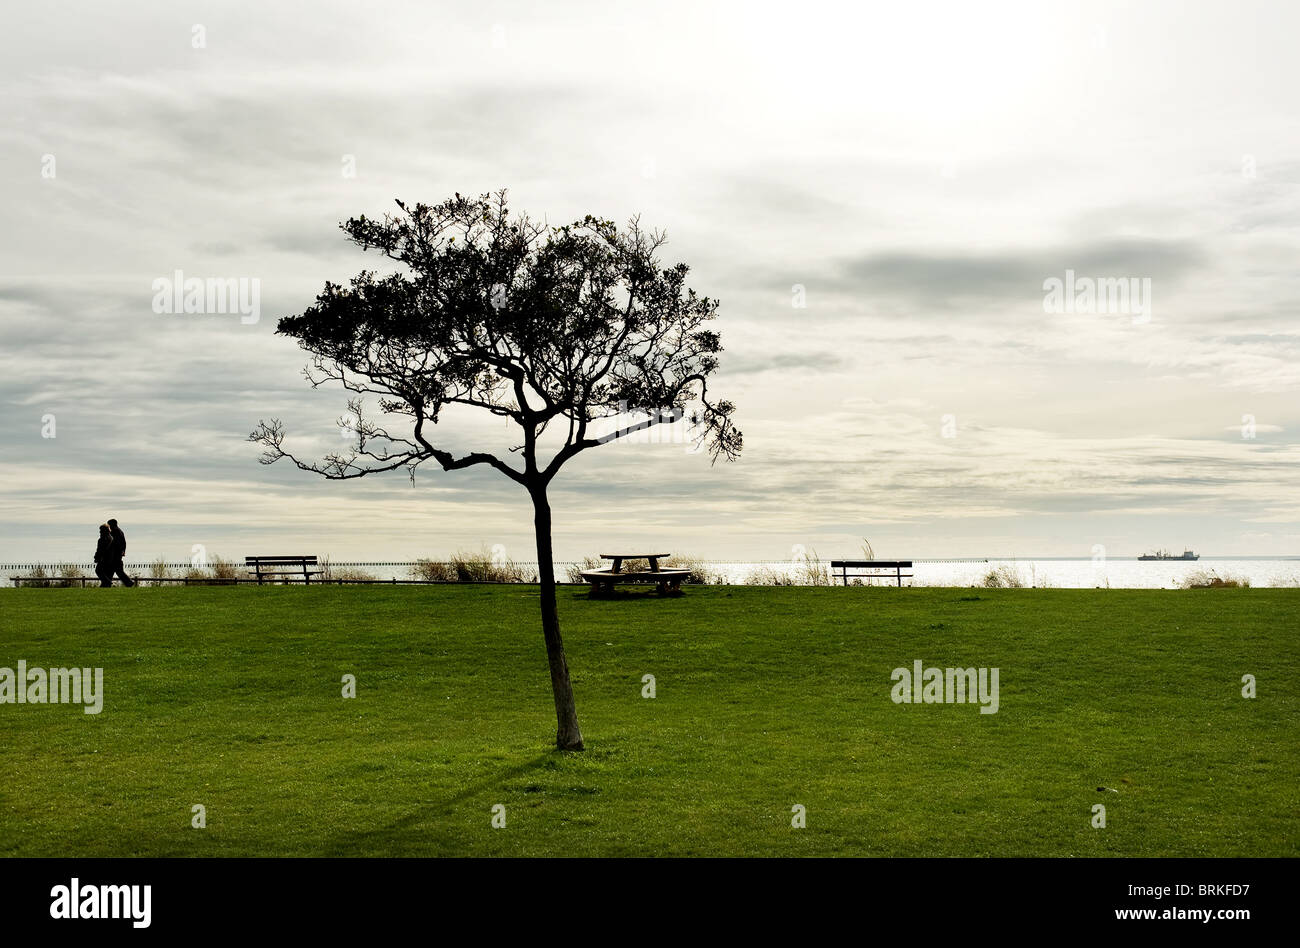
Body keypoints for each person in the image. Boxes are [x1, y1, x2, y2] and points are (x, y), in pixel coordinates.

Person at [107, 518, 135, 587]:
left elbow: (113, 544)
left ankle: (107, 583)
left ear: (112, 525)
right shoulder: (120, 532)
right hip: (118, 554)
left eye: (109, 525)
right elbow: (124, 543)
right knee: (116, 571)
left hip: (115, 555)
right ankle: (107, 583)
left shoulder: (114, 532)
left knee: (114, 570)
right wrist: (123, 551)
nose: (109, 527)